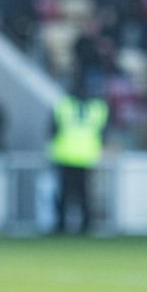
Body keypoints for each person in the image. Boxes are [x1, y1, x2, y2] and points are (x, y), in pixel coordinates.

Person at [49, 91, 109, 235]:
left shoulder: (63, 106)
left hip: (65, 155)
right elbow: (104, 132)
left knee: (64, 193)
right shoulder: (98, 108)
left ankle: (62, 225)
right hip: (86, 156)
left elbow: (52, 130)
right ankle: (85, 225)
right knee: (84, 194)